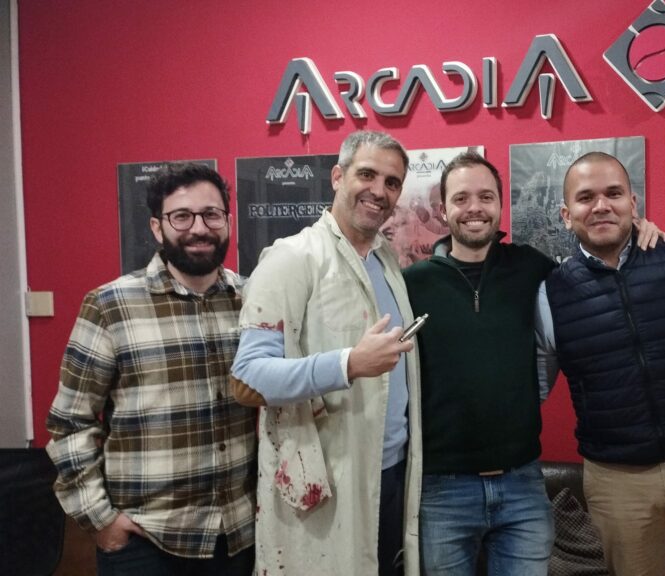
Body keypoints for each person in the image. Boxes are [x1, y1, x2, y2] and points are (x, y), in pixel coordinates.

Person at [402, 152, 665, 575]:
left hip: (522, 484)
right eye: (461, 198)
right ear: (443, 210)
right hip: (442, 489)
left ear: (500, 205)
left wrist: (640, 234)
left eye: (486, 197)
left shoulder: (531, 268)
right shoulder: (412, 285)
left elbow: (595, 266)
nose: (474, 208)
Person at [536, 152, 665, 576]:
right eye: (586, 197)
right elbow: (533, 389)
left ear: (633, 203)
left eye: (613, 194)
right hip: (617, 480)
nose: (601, 206)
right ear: (566, 214)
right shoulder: (550, 294)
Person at [46, 163, 256, 576]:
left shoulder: (252, 299)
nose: (199, 228)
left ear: (228, 222)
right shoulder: (111, 305)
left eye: (211, 214)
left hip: (237, 536)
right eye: (182, 216)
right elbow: (70, 422)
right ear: (158, 228)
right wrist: (100, 520)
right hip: (147, 542)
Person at [229, 130, 422, 576]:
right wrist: (347, 364)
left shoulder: (387, 262)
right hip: (328, 477)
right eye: (367, 174)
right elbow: (247, 378)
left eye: (392, 182)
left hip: (392, 472)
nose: (379, 191)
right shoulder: (290, 258)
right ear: (338, 176)